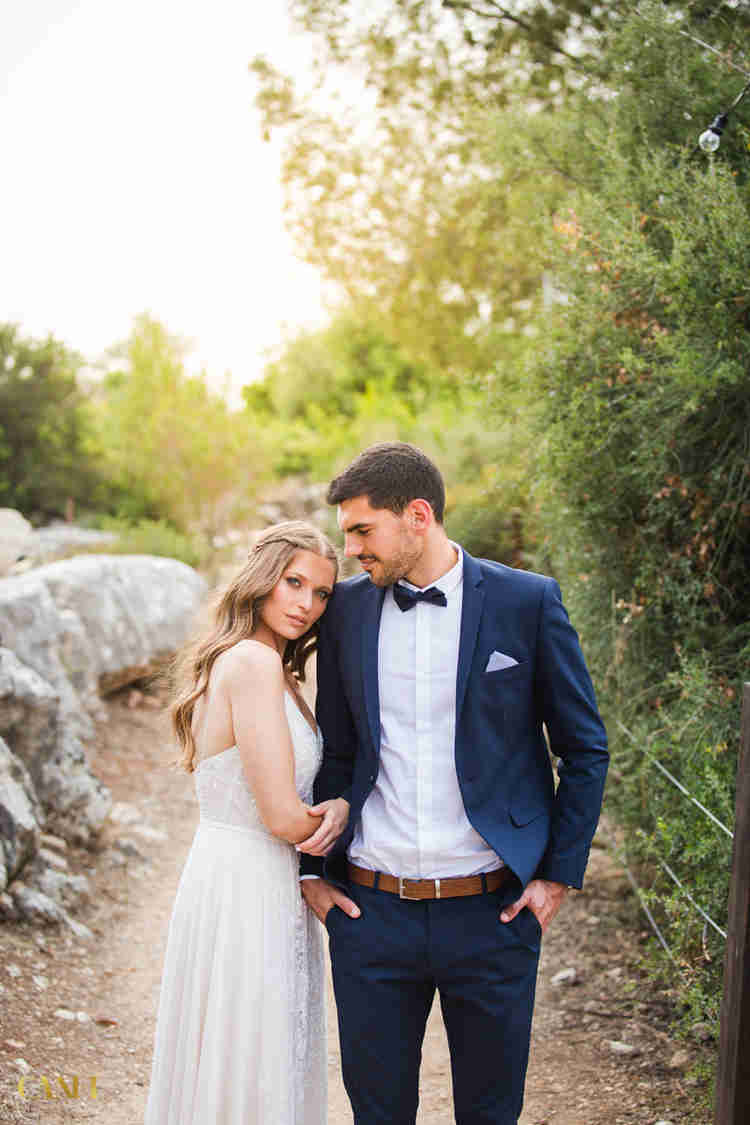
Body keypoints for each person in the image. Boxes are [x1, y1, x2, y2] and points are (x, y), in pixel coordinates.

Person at [301, 443, 610, 1125]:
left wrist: (557, 876)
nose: (351, 550)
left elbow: (585, 747)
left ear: (418, 515)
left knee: (490, 1114)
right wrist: (312, 872)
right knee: (377, 1115)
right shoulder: (345, 610)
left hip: (492, 914)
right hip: (370, 915)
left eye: (362, 530)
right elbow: (336, 750)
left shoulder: (527, 602)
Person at [144, 521, 347, 1125]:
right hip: (249, 883)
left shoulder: (263, 665)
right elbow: (282, 816)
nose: (306, 604)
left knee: (242, 1054)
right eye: (294, 583)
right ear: (262, 579)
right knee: (251, 1054)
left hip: (237, 872)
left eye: (321, 593)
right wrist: (341, 811)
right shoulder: (256, 664)